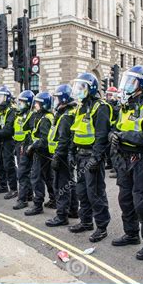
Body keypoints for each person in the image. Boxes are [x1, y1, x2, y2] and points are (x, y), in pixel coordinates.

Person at [109, 65, 143, 259]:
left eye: (132, 82)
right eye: (127, 81)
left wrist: (123, 136)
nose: (127, 86)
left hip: (141, 161)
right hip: (124, 160)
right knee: (125, 199)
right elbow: (115, 128)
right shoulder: (125, 106)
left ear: (141, 85)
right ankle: (131, 234)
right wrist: (113, 136)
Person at [69, 73, 112, 243]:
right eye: (77, 87)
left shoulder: (99, 107)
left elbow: (101, 136)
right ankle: (86, 221)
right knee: (82, 192)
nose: (78, 90)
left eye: (82, 87)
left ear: (90, 88)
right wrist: (72, 152)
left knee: (95, 193)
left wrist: (96, 157)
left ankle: (101, 227)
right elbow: (76, 130)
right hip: (80, 156)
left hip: (92, 157)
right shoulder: (80, 107)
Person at [45, 84, 78, 226]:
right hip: (67, 156)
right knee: (70, 183)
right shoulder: (69, 113)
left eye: (57, 98)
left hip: (62, 156)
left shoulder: (65, 117)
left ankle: (61, 216)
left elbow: (63, 140)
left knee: (61, 186)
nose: (55, 101)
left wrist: (57, 157)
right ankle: (73, 210)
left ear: (64, 99)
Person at [24, 92, 55, 216]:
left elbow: (44, 140)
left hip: (41, 153)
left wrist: (32, 146)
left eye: (37, 103)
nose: (35, 105)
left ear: (44, 105)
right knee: (49, 177)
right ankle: (54, 200)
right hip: (46, 153)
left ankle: (38, 205)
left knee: (36, 178)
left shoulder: (45, 119)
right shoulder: (45, 116)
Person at [0, 86, 18, 199]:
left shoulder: (11, 110)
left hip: (8, 141)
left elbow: (8, 129)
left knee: (8, 165)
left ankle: (13, 188)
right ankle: (3, 185)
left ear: (7, 98)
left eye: (1, 97)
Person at [12, 90, 35, 210]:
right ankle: (29, 195)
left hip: (25, 147)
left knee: (22, 173)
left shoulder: (31, 115)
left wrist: (27, 146)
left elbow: (32, 132)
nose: (19, 104)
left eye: (22, 102)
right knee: (25, 172)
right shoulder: (19, 115)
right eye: (19, 102)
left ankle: (22, 200)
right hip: (18, 145)